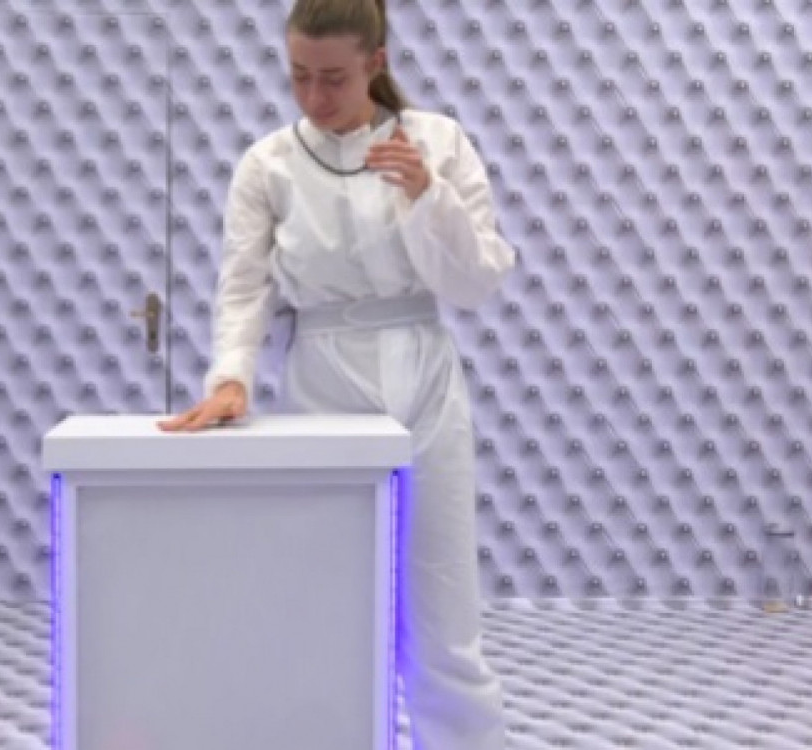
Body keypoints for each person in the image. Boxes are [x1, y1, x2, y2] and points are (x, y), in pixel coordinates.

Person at [159, 1, 516, 747]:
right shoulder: (268, 165)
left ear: (375, 64)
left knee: (444, 602)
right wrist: (231, 377)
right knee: (322, 598)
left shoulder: (437, 141)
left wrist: (428, 196)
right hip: (323, 377)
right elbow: (243, 286)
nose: (315, 97)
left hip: (425, 372)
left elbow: (477, 282)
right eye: (299, 76)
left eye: (334, 79)